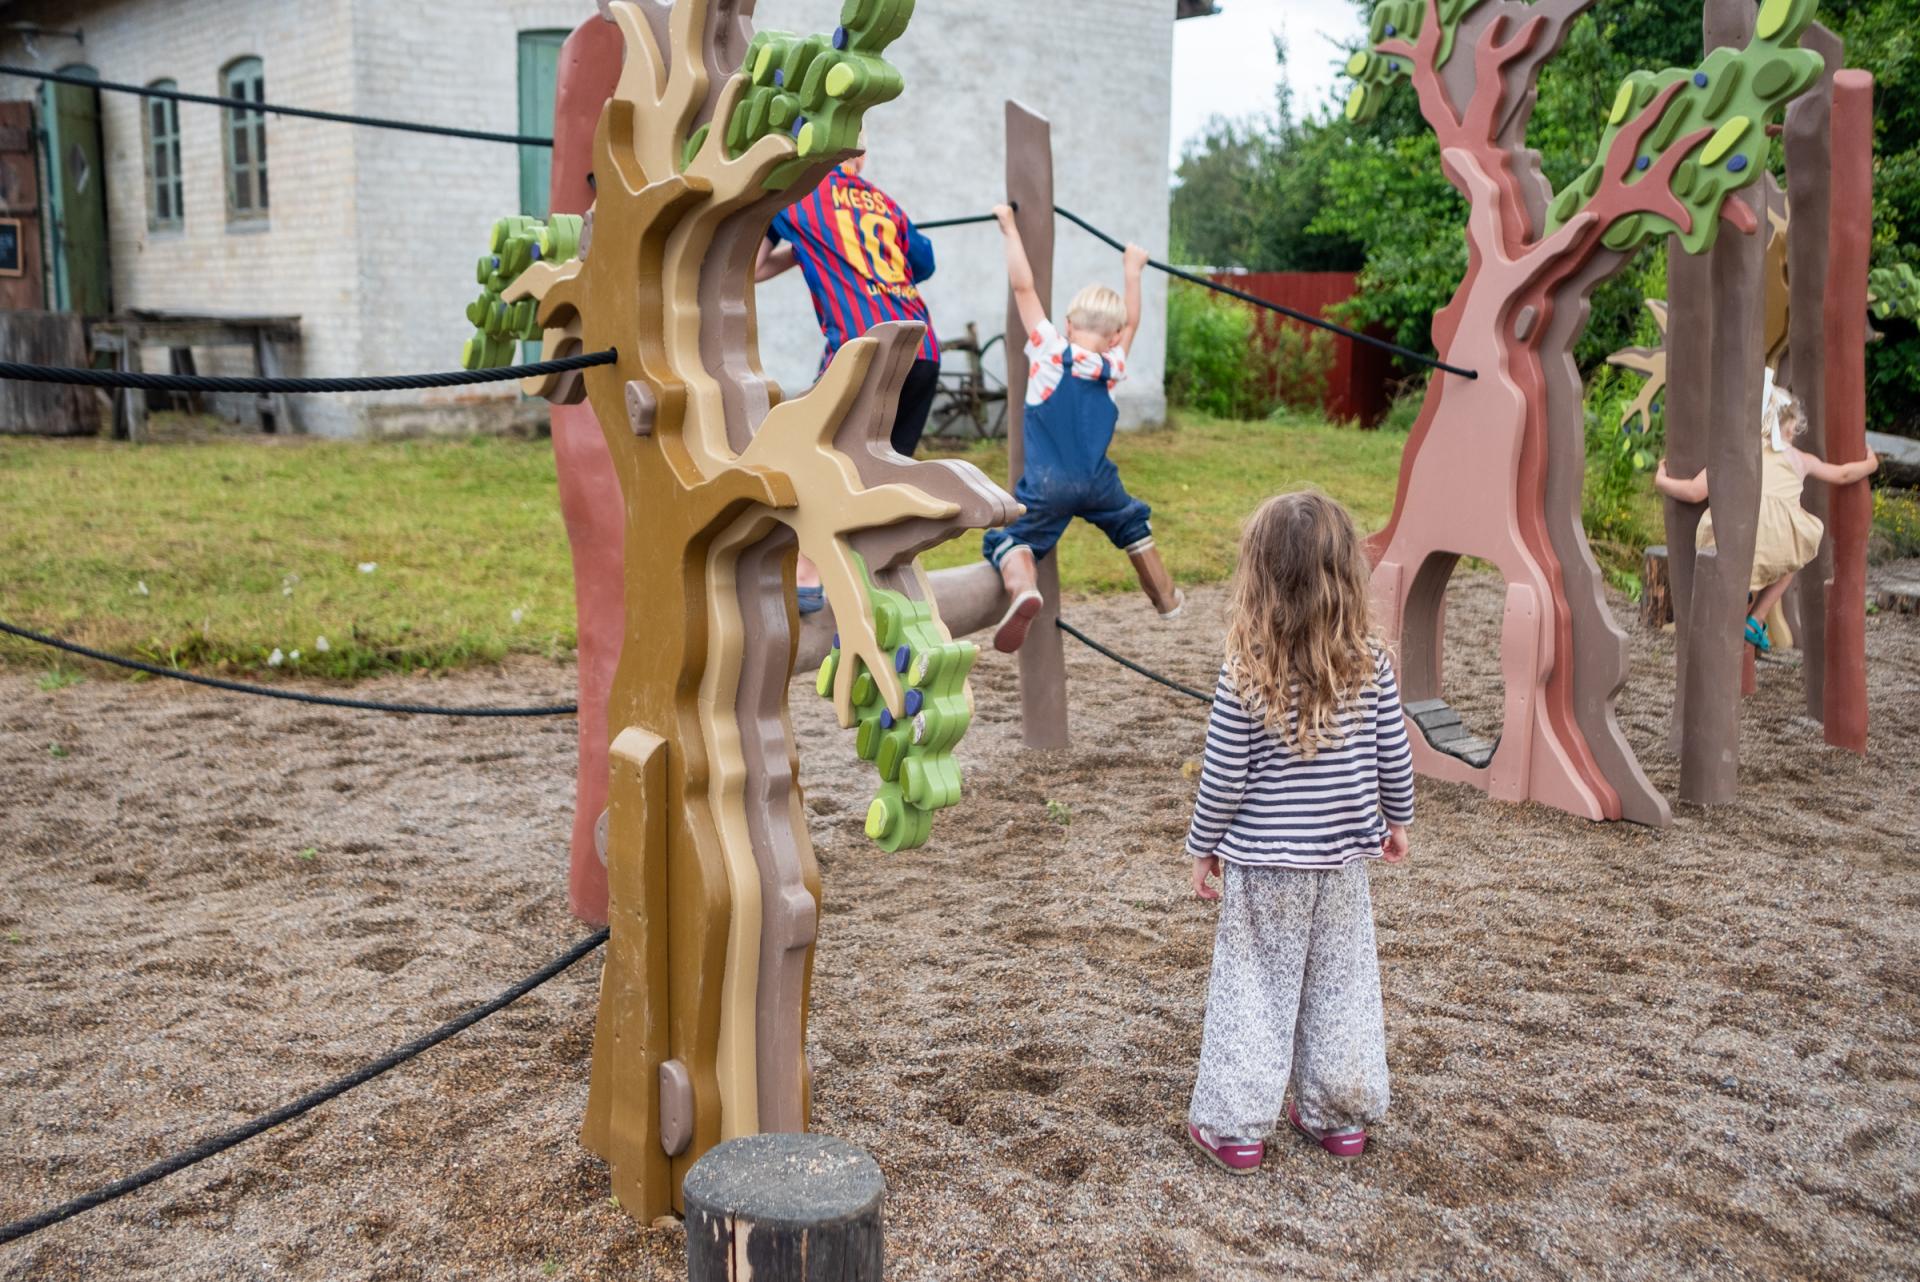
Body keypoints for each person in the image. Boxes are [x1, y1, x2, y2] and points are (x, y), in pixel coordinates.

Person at [1183, 491, 1414, 1173]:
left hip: (1263, 867)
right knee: (1342, 983)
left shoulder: (1245, 672)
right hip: (1341, 861)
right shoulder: (1369, 667)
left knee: (1253, 988)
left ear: (1258, 576)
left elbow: (1223, 776)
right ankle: (1337, 1119)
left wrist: (1202, 846)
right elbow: (1392, 754)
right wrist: (1396, 819)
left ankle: (1236, 1131)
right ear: (1346, 579)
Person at [979, 203, 1182, 653]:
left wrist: (1009, 227)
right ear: (1113, 336)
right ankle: (1165, 596)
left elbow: (1022, 286)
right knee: (1130, 522)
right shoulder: (1113, 364)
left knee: (1009, 538)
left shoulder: (1051, 350)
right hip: (1097, 482)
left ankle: (1023, 588)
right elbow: (1133, 322)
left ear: (1068, 325)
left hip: (1048, 485)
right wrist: (1133, 270)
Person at [757, 149, 940, 615]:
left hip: (864, 349)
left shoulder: (795, 192)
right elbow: (922, 262)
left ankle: (807, 577)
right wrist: (808, 249)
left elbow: (752, 269)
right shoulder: (884, 201)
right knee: (883, 472)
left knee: (806, 450)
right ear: (859, 158)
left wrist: (791, 239)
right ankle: (875, 581)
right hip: (921, 350)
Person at [1654, 373, 1880, 651]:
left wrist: (1661, 480)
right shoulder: (1800, 459)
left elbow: (1693, 492)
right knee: (1793, 558)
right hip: (1781, 540)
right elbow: (1844, 474)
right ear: (1790, 427)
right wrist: (1871, 464)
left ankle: (1742, 592)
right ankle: (1756, 618)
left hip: (1737, 538)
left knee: (1742, 545)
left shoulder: (1738, 454)